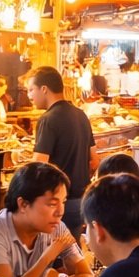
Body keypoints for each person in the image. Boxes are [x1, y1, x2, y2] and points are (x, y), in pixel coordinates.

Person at [28, 67, 96, 239]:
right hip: (81, 203)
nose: (29, 96)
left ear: (44, 89)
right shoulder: (81, 115)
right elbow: (94, 161)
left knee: (50, 257)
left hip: (56, 204)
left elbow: (38, 167)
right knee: (71, 255)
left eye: (31, 90)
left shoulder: (48, 119)